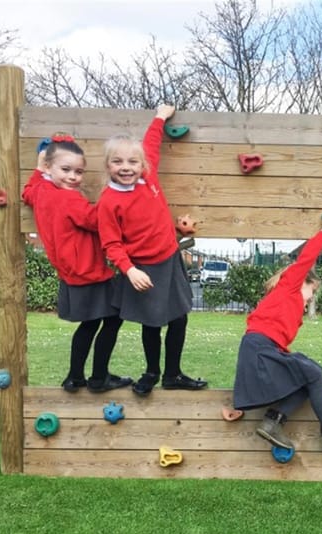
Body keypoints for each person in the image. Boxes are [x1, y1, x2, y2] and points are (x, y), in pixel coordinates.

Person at [97, 105, 207, 396]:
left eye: (133, 161)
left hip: (170, 259)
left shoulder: (148, 178)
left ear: (141, 164)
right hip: (143, 268)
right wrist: (130, 270)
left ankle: (173, 374)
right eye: (117, 161)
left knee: (179, 317)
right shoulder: (108, 201)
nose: (126, 167)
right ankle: (152, 372)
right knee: (151, 323)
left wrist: (159, 117)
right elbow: (111, 243)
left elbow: (151, 144)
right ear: (108, 165)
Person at [233, 213, 322, 452]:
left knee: (306, 377)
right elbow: (307, 257)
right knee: (313, 372)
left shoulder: (287, 306)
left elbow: (276, 338)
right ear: (302, 282)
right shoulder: (290, 286)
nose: (311, 297)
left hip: (262, 349)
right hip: (258, 349)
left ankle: (272, 422)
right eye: (312, 290)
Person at [22, 135, 131, 394]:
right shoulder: (70, 199)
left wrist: (39, 166)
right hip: (88, 271)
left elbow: (27, 191)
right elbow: (97, 221)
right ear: (50, 168)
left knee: (91, 323)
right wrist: (117, 189)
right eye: (66, 170)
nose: (73, 177)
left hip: (71, 272)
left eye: (79, 172)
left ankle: (75, 377)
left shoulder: (40, 192)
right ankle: (98, 377)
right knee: (113, 319)